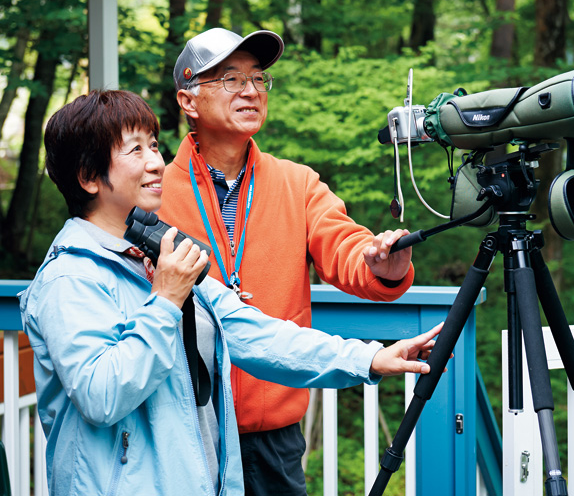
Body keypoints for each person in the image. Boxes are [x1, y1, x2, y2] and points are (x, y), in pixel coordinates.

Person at [19, 90, 444, 496]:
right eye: (136, 151)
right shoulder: (69, 278)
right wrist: (166, 301)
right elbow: (101, 394)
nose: (155, 163)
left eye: (153, 145)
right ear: (89, 178)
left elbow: (254, 333)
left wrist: (369, 358)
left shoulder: (156, 254)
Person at [159, 27, 416, 495]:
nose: (251, 91)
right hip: (180, 427)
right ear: (188, 100)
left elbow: (345, 247)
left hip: (273, 432)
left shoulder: (296, 183)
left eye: (258, 79)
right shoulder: (153, 191)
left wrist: (384, 266)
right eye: (230, 79)